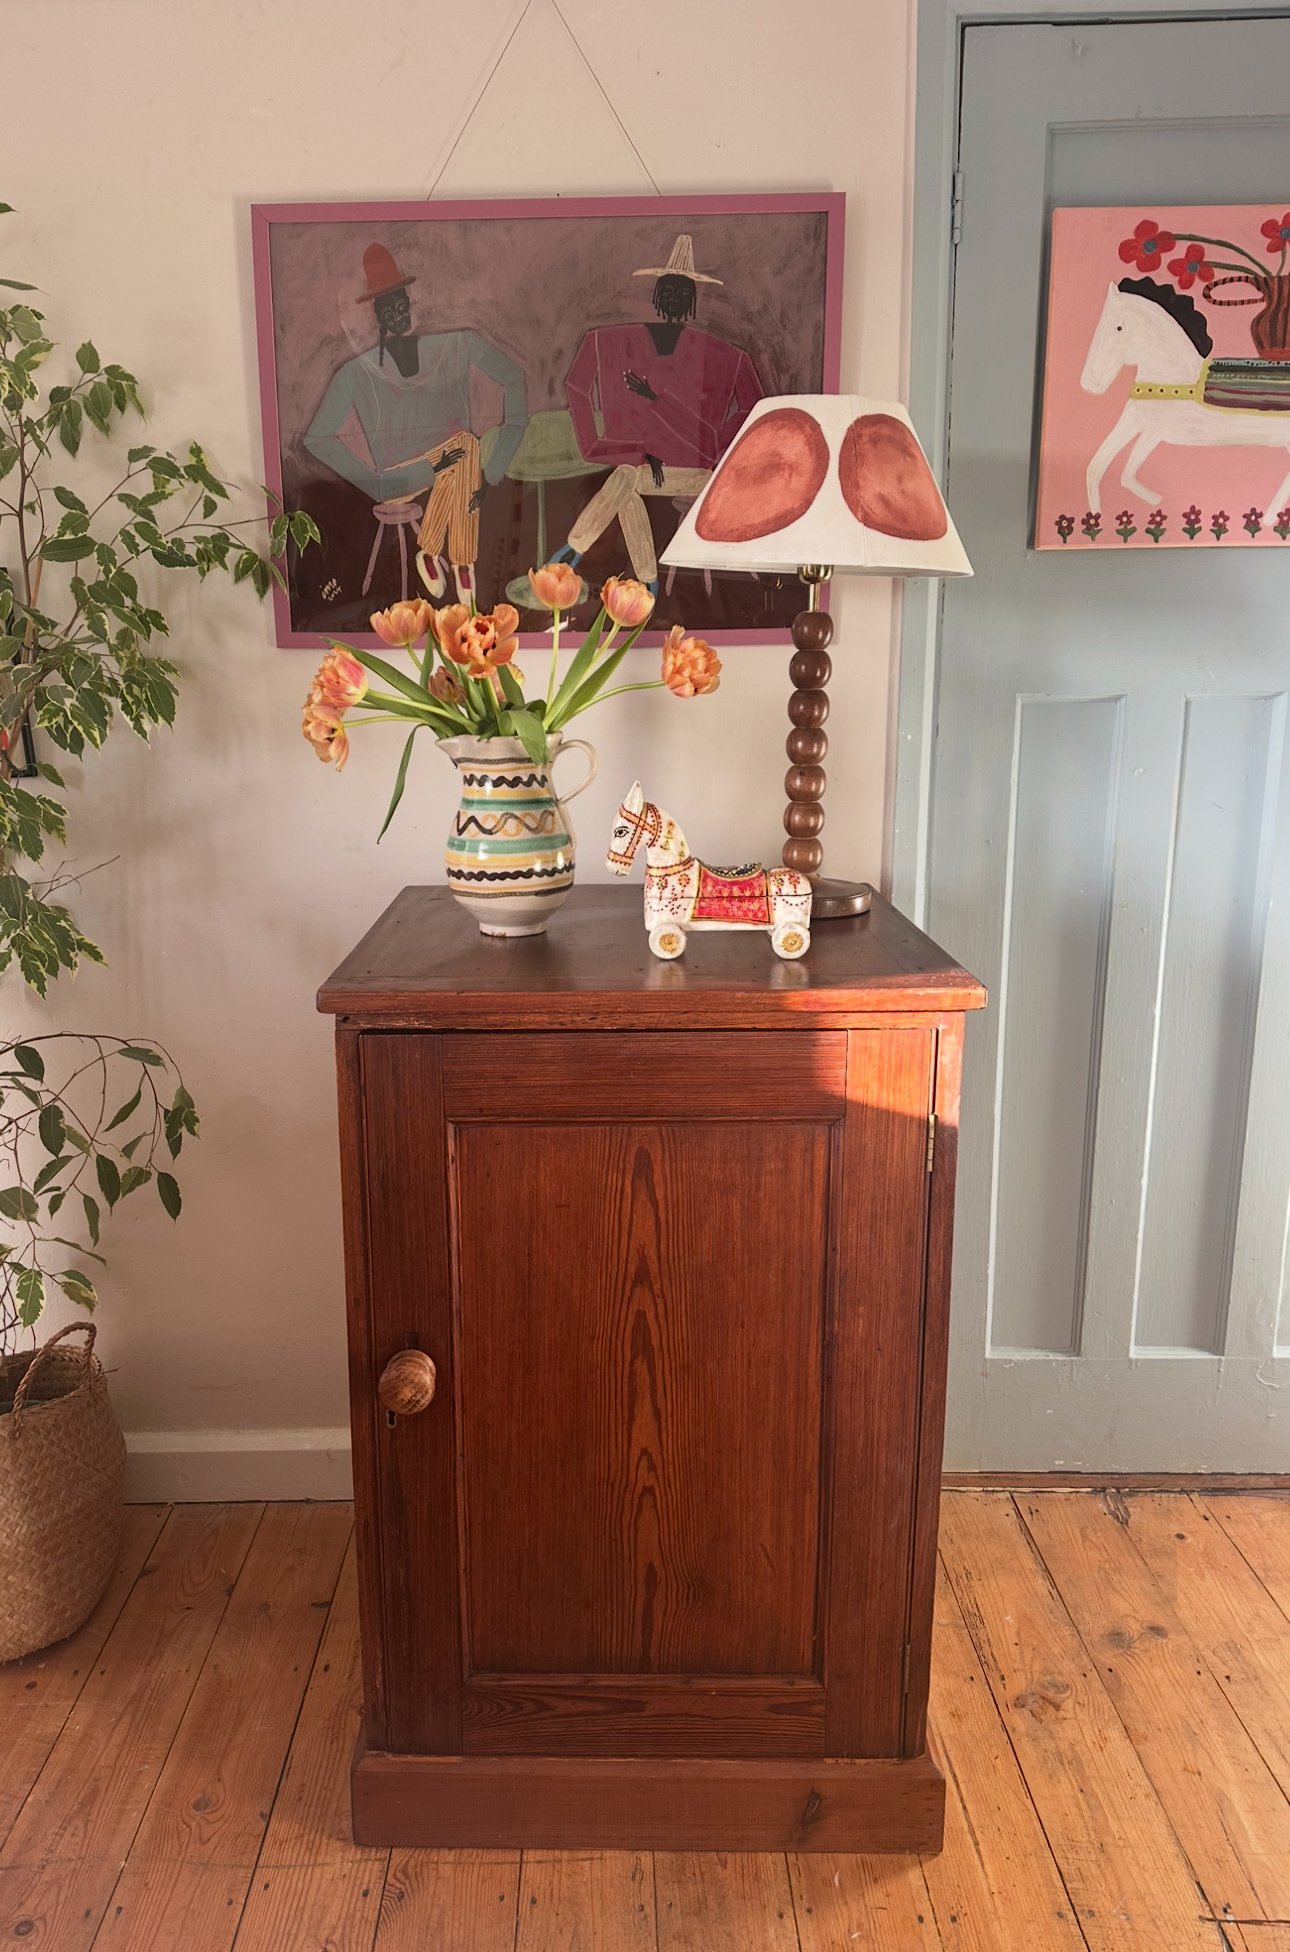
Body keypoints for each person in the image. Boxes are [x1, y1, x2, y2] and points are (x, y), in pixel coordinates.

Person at [303, 244, 528, 604]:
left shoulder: (455, 345)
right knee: (466, 446)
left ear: (410, 303)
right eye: (388, 309)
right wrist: (373, 481)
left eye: (401, 304)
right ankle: (461, 566)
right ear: (378, 316)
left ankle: (431, 551)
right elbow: (317, 438)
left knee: (464, 449)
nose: (397, 314)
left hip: (454, 466)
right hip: (398, 476)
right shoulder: (355, 373)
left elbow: (513, 378)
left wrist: (499, 461)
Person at [556, 235, 763, 589]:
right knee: (626, 480)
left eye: (682, 294)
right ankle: (648, 579)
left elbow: (753, 406)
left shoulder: (724, 356)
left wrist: (715, 447)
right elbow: (575, 386)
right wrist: (599, 447)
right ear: (656, 295)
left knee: (624, 478)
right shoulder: (606, 341)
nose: (674, 301)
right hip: (642, 470)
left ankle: (570, 551)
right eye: (667, 292)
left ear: (693, 300)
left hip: (695, 475)